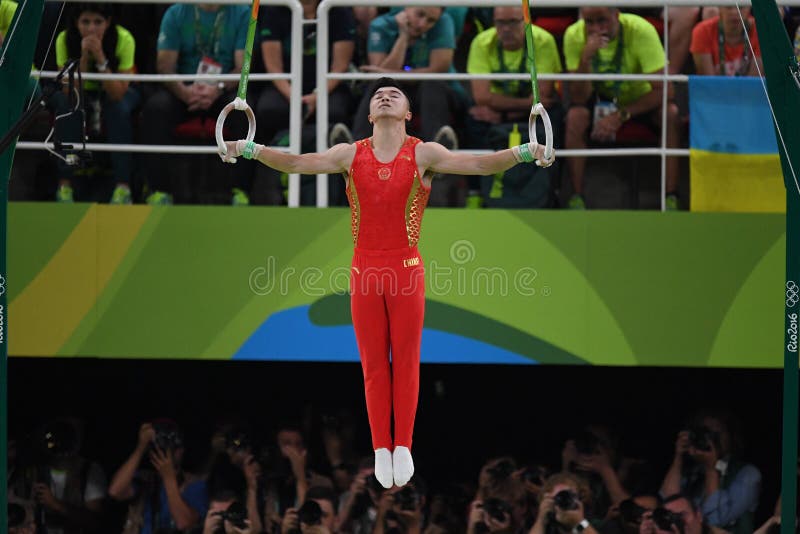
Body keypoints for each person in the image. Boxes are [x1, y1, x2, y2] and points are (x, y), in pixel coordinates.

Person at [220, 77, 553, 489]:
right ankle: (381, 446)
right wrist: (248, 148)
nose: (385, 95)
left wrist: (526, 151)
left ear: (408, 114)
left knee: (407, 361)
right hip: (364, 272)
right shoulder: (348, 154)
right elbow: (295, 163)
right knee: (374, 365)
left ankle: (404, 445)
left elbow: (481, 164)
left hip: (406, 269)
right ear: (371, 113)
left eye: (394, 94)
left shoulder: (424, 152)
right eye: (379, 95)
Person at [562, 7, 681, 210]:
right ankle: (576, 197)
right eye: (589, 22)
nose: (596, 29)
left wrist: (620, 115)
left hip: (640, 101)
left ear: (616, 15)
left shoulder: (641, 30)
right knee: (575, 116)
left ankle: (671, 197)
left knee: (670, 113)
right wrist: (585, 60)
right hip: (600, 100)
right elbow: (578, 97)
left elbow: (666, 91)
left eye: (602, 21)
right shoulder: (574, 35)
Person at [140, 2, 252, 205]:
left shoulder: (242, 12)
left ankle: (240, 189)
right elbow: (165, 66)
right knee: (155, 109)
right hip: (183, 90)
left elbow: (242, 66)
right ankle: (158, 190)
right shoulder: (176, 13)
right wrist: (185, 92)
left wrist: (216, 88)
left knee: (242, 110)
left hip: (223, 89)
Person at [465, 5, 563, 208]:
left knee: (556, 118)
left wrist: (504, 108)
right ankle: (475, 192)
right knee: (474, 119)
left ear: (526, 22)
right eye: (500, 22)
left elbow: (543, 96)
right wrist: (523, 104)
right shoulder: (482, 42)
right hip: (501, 112)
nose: (506, 29)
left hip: (524, 112)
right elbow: (481, 96)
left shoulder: (542, 41)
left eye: (512, 22)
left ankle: (552, 192)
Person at [52, 2, 140, 204]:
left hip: (115, 88)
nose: (91, 28)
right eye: (85, 22)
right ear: (76, 22)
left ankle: (122, 187)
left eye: (98, 22)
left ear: (108, 22)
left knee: (118, 109)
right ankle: (65, 185)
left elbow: (118, 93)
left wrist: (100, 57)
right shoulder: (64, 39)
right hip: (79, 91)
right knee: (67, 107)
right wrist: (83, 57)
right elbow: (70, 91)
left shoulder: (124, 39)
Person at [659, 411, 761, 534]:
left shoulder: (748, 474)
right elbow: (668, 502)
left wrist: (711, 469)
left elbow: (715, 520)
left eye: (716, 433)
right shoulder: (693, 471)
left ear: (731, 436)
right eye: (704, 432)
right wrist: (679, 456)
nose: (710, 438)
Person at [108, 421, 208, 534]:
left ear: (180, 451)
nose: (164, 453)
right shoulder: (145, 479)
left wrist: (169, 478)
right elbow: (115, 491)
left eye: (170, 449)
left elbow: (183, 522)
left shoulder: (194, 483)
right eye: (158, 449)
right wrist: (141, 448)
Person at [690, 6, 763, 76]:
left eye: (741, 7)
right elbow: (708, 84)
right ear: (719, 7)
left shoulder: (761, 31)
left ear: (749, 7)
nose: (734, 12)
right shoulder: (702, 32)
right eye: (729, 7)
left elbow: (754, 83)